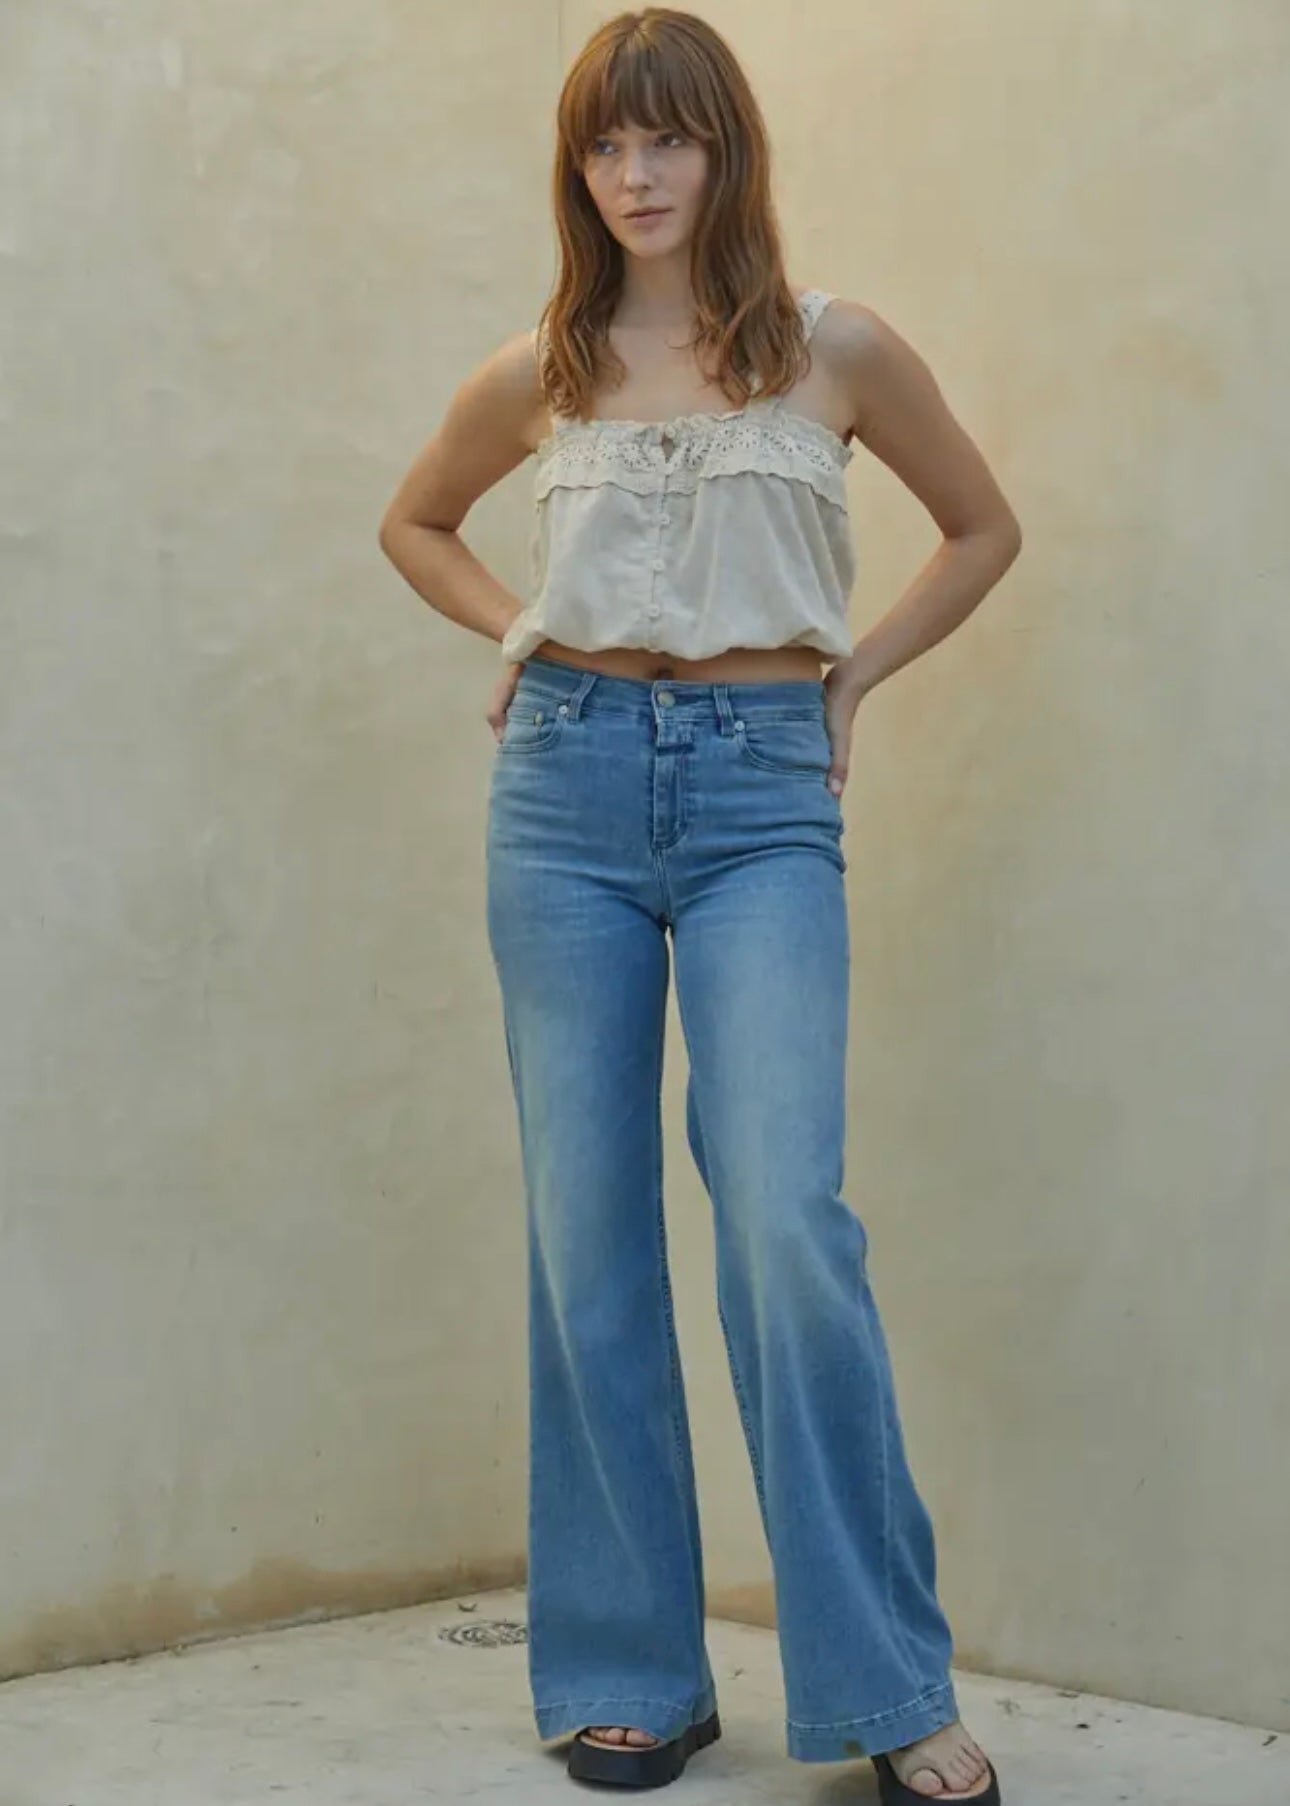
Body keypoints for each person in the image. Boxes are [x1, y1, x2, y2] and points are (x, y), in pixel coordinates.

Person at [379, 8, 1020, 1798]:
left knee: (784, 1214)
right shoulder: (543, 369)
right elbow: (414, 522)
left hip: (758, 798)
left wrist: (853, 676)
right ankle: (629, 1672)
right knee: (583, 1232)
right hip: (564, 793)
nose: (638, 175)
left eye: (669, 139)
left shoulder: (835, 349)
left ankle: (886, 1685)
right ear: (577, 171)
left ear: (727, 150)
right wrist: (516, 627)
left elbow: (980, 528)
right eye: (605, 146)